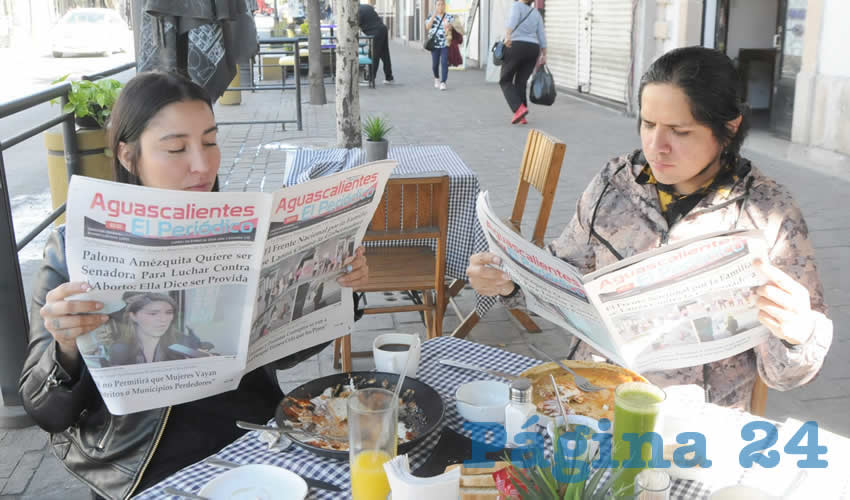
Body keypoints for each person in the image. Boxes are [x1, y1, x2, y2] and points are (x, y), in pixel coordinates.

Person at [18, 71, 370, 500]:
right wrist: (66, 347)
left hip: (254, 435)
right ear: (128, 156)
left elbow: (282, 352)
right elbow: (46, 412)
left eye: (209, 141)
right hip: (143, 463)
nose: (202, 164)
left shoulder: (246, 230)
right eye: (176, 148)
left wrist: (338, 290)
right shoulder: (72, 250)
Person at [467, 46, 833, 411]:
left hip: (694, 425)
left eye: (680, 131)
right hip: (593, 400)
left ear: (729, 128)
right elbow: (561, 272)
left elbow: (786, 374)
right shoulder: (614, 185)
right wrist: (510, 281)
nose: (657, 146)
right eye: (648, 123)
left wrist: (799, 336)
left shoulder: (767, 214)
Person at [106, 292, 213, 366]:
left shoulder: (184, 342)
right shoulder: (119, 349)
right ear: (133, 316)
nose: (163, 320)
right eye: (153, 313)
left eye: (169, 313)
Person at [500, 0, 546, 124]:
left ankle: (519, 109)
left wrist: (508, 36)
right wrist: (544, 54)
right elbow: (541, 34)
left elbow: (512, 21)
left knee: (505, 80)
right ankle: (522, 115)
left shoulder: (517, 6)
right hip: (533, 49)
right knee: (521, 81)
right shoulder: (536, 13)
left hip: (517, 46)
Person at [358, 0, 394, 84]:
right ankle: (389, 77)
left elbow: (356, 25)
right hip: (382, 29)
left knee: (374, 55)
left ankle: (370, 78)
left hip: (375, 33)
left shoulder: (358, 11)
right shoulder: (367, 7)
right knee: (385, 54)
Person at [425, 0, 453, 91]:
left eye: (442, 4)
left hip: (445, 44)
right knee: (435, 65)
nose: (440, 6)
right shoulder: (431, 16)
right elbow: (427, 27)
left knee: (444, 62)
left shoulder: (449, 17)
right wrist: (433, 16)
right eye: (438, 4)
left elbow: (450, 31)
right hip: (434, 45)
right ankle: (436, 78)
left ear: (445, 6)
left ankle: (443, 82)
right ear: (436, 6)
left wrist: (448, 28)